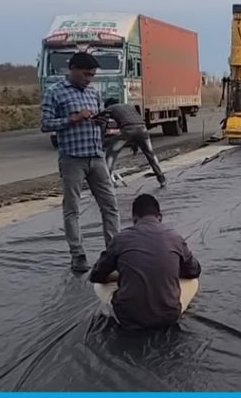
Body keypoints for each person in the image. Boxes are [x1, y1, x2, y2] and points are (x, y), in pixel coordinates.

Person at [40, 52, 120, 273]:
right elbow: (46, 124)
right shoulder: (54, 93)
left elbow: (98, 122)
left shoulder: (93, 94)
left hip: (96, 156)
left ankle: (113, 254)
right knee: (72, 209)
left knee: (110, 206)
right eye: (86, 74)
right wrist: (73, 119)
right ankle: (78, 255)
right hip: (72, 159)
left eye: (92, 75)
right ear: (72, 69)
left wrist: (101, 122)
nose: (89, 79)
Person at [89, 194, 202, 330]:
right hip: (168, 316)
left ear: (134, 219)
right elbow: (194, 271)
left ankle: (117, 311)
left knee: (98, 286)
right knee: (193, 281)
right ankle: (185, 312)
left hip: (127, 318)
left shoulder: (120, 239)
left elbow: (96, 276)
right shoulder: (175, 237)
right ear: (159, 217)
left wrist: (119, 276)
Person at [103, 98, 167, 188]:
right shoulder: (128, 106)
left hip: (128, 129)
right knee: (150, 154)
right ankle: (161, 179)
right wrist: (135, 144)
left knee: (111, 153)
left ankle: (107, 182)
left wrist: (102, 135)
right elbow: (135, 125)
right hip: (143, 128)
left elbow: (102, 121)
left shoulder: (110, 108)